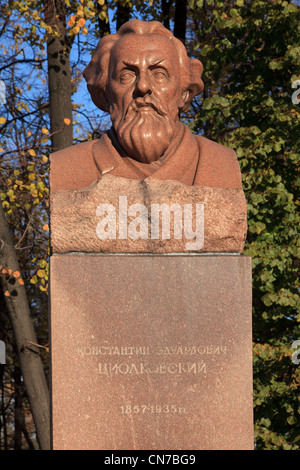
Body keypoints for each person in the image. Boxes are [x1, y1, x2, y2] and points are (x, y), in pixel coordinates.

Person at [50, 20, 242, 192]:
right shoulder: (69, 167)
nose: (143, 86)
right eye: (126, 76)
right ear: (105, 95)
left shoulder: (220, 163)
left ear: (183, 93)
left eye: (159, 74)